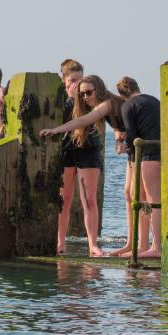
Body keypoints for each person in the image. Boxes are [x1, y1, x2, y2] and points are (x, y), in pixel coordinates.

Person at [39, 74, 124, 256]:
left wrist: (118, 135)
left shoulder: (98, 105)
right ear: (65, 82)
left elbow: (113, 119)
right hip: (67, 152)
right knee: (64, 199)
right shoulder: (64, 102)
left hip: (89, 151)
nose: (84, 95)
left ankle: (93, 245)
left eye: (86, 90)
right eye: (73, 82)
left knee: (89, 200)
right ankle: (59, 243)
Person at [111, 76, 162, 258]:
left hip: (148, 155)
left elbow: (132, 136)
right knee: (141, 198)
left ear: (122, 94)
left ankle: (156, 248)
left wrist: (130, 159)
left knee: (152, 200)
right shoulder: (154, 100)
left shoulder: (127, 105)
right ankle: (142, 246)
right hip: (162, 151)